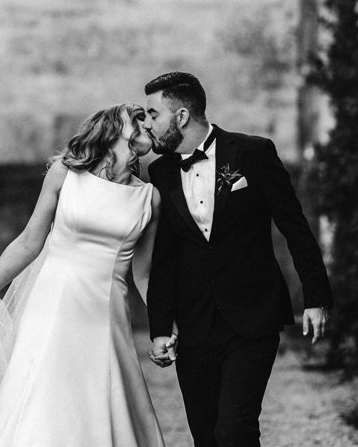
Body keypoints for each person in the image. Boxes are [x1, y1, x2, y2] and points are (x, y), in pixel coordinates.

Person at [0, 104, 166, 447]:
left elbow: (144, 276)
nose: (145, 125)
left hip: (105, 315)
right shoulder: (66, 173)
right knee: (39, 395)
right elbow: (30, 242)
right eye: (136, 119)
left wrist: (164, 329)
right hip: (51, 305)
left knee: (100, 399)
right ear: (111, 129)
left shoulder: (149, 198)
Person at [143, 72, 333, 447]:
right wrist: (161, 327)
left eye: (153, 114)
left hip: (253, 316)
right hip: (195, 322)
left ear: (181, 116)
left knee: (235, 430)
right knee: (206, 434)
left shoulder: (253, 153)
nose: (147, 124)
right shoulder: (161, 172)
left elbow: (294, 226)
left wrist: (315, 297)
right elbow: (164, 257)